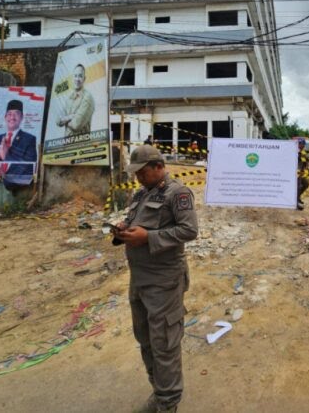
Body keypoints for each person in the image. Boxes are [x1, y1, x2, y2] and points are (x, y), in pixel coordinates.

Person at [111, 145, 199, 413]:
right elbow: (134, 221)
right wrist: (123, 230)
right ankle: (159, 394)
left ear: (159, 167)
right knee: (146, 339)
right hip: (139, 279)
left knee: (164, 343)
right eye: (135, 173)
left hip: (164, 280)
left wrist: (148, 237)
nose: (138, 177)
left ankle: (168, 403)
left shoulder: (178, 193)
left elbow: (189, 230)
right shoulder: (140, 194)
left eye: (142, 172)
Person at [0, 99, 37, 190]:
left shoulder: (29, 139)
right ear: (5, 117)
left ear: (21, 117)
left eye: (16, 114)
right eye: (9, 114)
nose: (12, 117)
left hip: (12, 184)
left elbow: (29, 167)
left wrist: (6, 155)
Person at [57, 63, 95, 137]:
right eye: (75, 76)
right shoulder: (70, 98)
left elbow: (76, 125)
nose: (77, 79)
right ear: (72, 78)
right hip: (66, 145)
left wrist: (64, 120)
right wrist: (70, 117)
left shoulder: (87, 97)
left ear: (84, 78)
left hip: (81, 146)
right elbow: (57, 120)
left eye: (80, 76)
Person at [296, 138, 309, 210]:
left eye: (303, 144)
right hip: (294, 173)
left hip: (301, 173)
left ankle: (297, 197)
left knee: (306, 183)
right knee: (298, 186)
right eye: (301, 143)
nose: (302, 145)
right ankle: (296, 202)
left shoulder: (304, 153)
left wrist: (307, 167)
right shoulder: (294, 151)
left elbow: (307, 162)